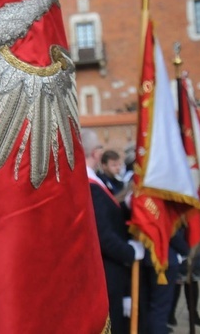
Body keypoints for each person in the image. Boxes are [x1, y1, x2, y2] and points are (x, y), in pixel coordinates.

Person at [81, 129, 144, 334]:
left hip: (110, 270)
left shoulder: (91, 182)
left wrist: (125, 204)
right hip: (108, 271)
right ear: (96, 153)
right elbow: (103, 234)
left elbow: (108, 213)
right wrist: (130, 252)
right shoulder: (89, 184)